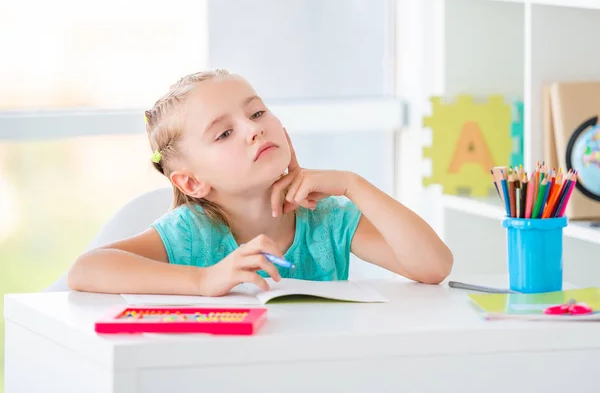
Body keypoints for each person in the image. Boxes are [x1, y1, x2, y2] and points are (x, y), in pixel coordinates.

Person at [67, 69, 453, 296]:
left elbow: (434, 266)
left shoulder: (326, 218)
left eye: (256, 112)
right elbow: (86, 270)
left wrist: (353, 184)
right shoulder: (191, 233)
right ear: (192, 182)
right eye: (223, 134)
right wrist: (204, 280)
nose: (253, 129)